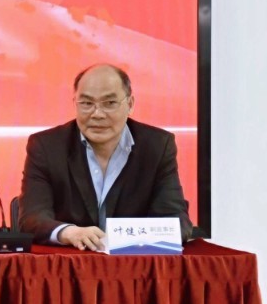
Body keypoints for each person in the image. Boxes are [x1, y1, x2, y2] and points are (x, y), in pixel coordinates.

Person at [18, 63, 192, 250]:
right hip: (70, 260)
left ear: (130, 104)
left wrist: (125, 239)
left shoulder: (157, 146)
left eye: (109, 103)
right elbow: (32, 218)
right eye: (87, 103)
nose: (97, 114)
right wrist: (69, 233)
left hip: (133, 262)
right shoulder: (47, 146)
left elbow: (175, 221)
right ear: (75, 103)